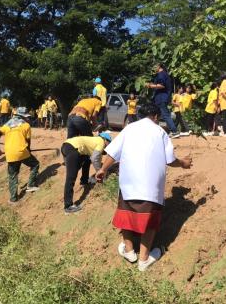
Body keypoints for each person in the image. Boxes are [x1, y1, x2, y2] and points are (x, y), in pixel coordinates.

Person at [95, 104, 192, 272]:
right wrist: (183, 163)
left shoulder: (129, 128)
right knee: (150, 222)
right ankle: (144, 259)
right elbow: (170, 159)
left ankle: (130, 251)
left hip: (129, 185)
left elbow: (112, 152)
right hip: (151, 188)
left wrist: (103, 169)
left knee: (126, 215)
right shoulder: (160, 132)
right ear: (155, 116)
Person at [0, 107, 40, 203]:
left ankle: (13, 199)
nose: (27, 118)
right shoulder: (26, 125)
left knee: (13, 175)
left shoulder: (7, 124)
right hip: (22, 152)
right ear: (23, 116)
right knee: (35, 164)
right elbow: (28, 141)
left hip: (10, 153)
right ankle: (31, 185)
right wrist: (29, 151)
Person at [61, 132, 112, 214]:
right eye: (109, 143)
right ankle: (68, 206)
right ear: (106, 140)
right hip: (73, 149)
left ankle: (84, 181)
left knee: (86, 159)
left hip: (66, 146)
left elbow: (94, 158)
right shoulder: (101, 142)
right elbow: (95, 159)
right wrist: (100, 173)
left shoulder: (94, 141)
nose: (108, 146)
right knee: (71, 177)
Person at [145, 63, 180, 138]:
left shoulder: (161, 74)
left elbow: (161, 85)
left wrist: (150, 86)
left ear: (159, 67)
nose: (154, 68)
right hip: (160, 98)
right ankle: (155, 131)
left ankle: (174, 131)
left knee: (165, 114)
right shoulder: (164, 74)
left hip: (161, 98)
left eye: (155, 66)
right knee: (156, 114)